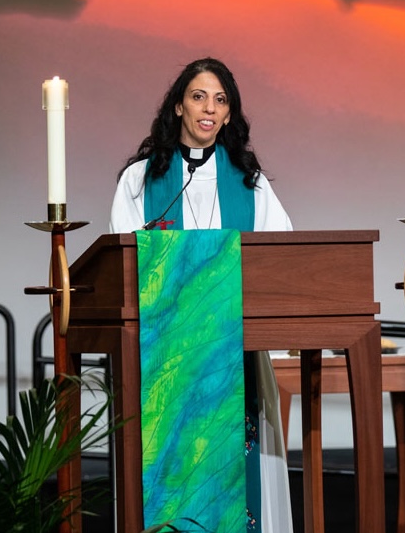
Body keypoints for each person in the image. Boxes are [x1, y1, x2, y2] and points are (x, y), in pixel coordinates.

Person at [110, 57, 293, 533]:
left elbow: (282, 254)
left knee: (235, 476)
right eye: (198, 97)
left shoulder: (250, 185)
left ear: (230, 115)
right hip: (163, 363)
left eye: (220, 99)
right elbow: (124, 262)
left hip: (235, 359)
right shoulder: (141, 180)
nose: (208, 109)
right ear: (177, 107)